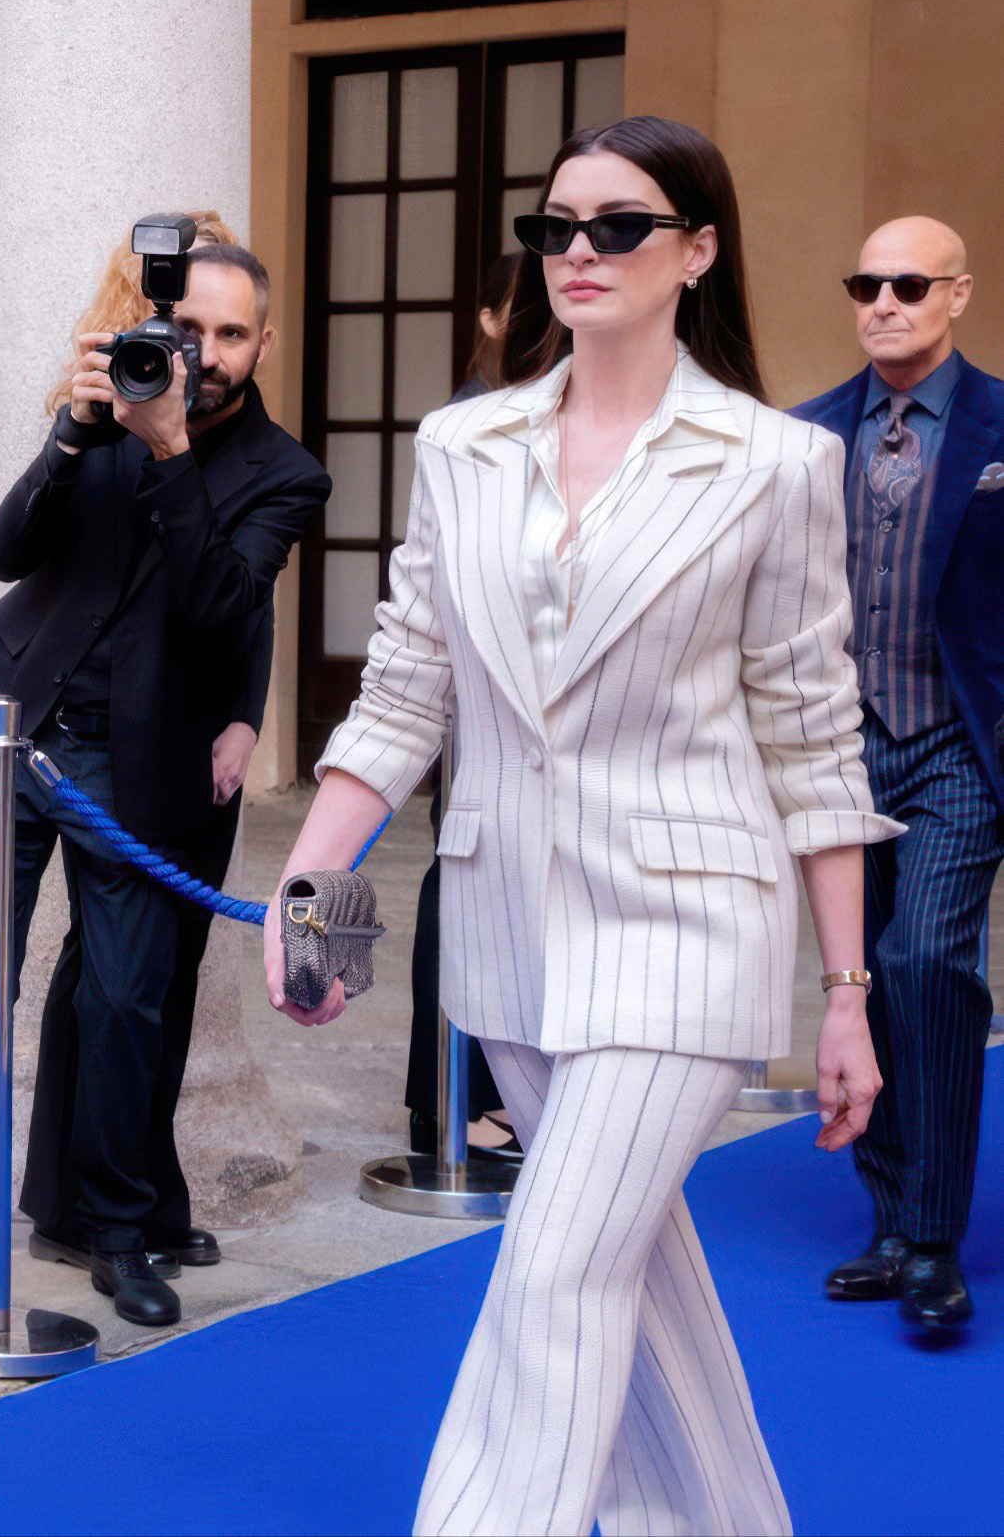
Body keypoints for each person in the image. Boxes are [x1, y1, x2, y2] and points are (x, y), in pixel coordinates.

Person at [265, 115, 891, 1537]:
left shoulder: (775, 462)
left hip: (688, 926)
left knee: (554, 1269)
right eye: (555, 228)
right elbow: (407, 681)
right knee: (628, 1270)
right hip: (510, 925)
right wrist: (314, 887)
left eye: (619, 225)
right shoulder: (463, 442)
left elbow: (810, 734)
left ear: (697, 250)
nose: (579, 252)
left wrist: (846, 992)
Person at [0, 218, 329, 1329]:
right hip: (12, 729)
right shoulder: (99, 411)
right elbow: (7, 552)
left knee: (122, 1002)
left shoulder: (284, 474)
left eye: (230, 334)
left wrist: (170, 451)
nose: (203, 351)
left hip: (137, 757)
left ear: (263, 343)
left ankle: (113, 1227)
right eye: (188, 325)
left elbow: (223, 606)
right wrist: (73, 430)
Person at [793, 215, 996, 1331]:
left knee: (927, 959)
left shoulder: (1000, 425)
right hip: (838, 747)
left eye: (909, 284)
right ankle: (888, 1220)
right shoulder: (806, 435)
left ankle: (932, 1238)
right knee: (859, 977)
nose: (883, 302)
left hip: (958, 744)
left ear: (955, 294)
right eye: (865, 283)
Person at [401, 250, 524, 1159]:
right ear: (487, 318)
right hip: (477, 699)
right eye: (526, 304)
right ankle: (444, 1099)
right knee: (459, 889)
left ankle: (482, 1091)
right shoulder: (463, 427)